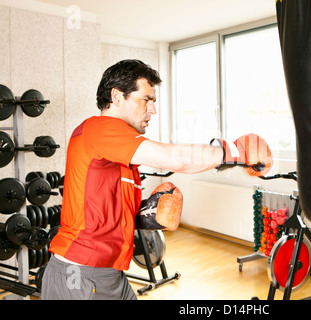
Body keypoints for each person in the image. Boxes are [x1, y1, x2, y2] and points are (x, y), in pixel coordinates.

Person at [40, 59, 272, 300]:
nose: (153, 110)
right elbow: (172, 157)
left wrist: (148, 214)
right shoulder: (99, 129)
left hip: (110, 273)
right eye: (146, 100)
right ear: (117, 96)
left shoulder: (118, 150)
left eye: (154, 102)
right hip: (80, 274)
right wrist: (235, 153)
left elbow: (104, 209)